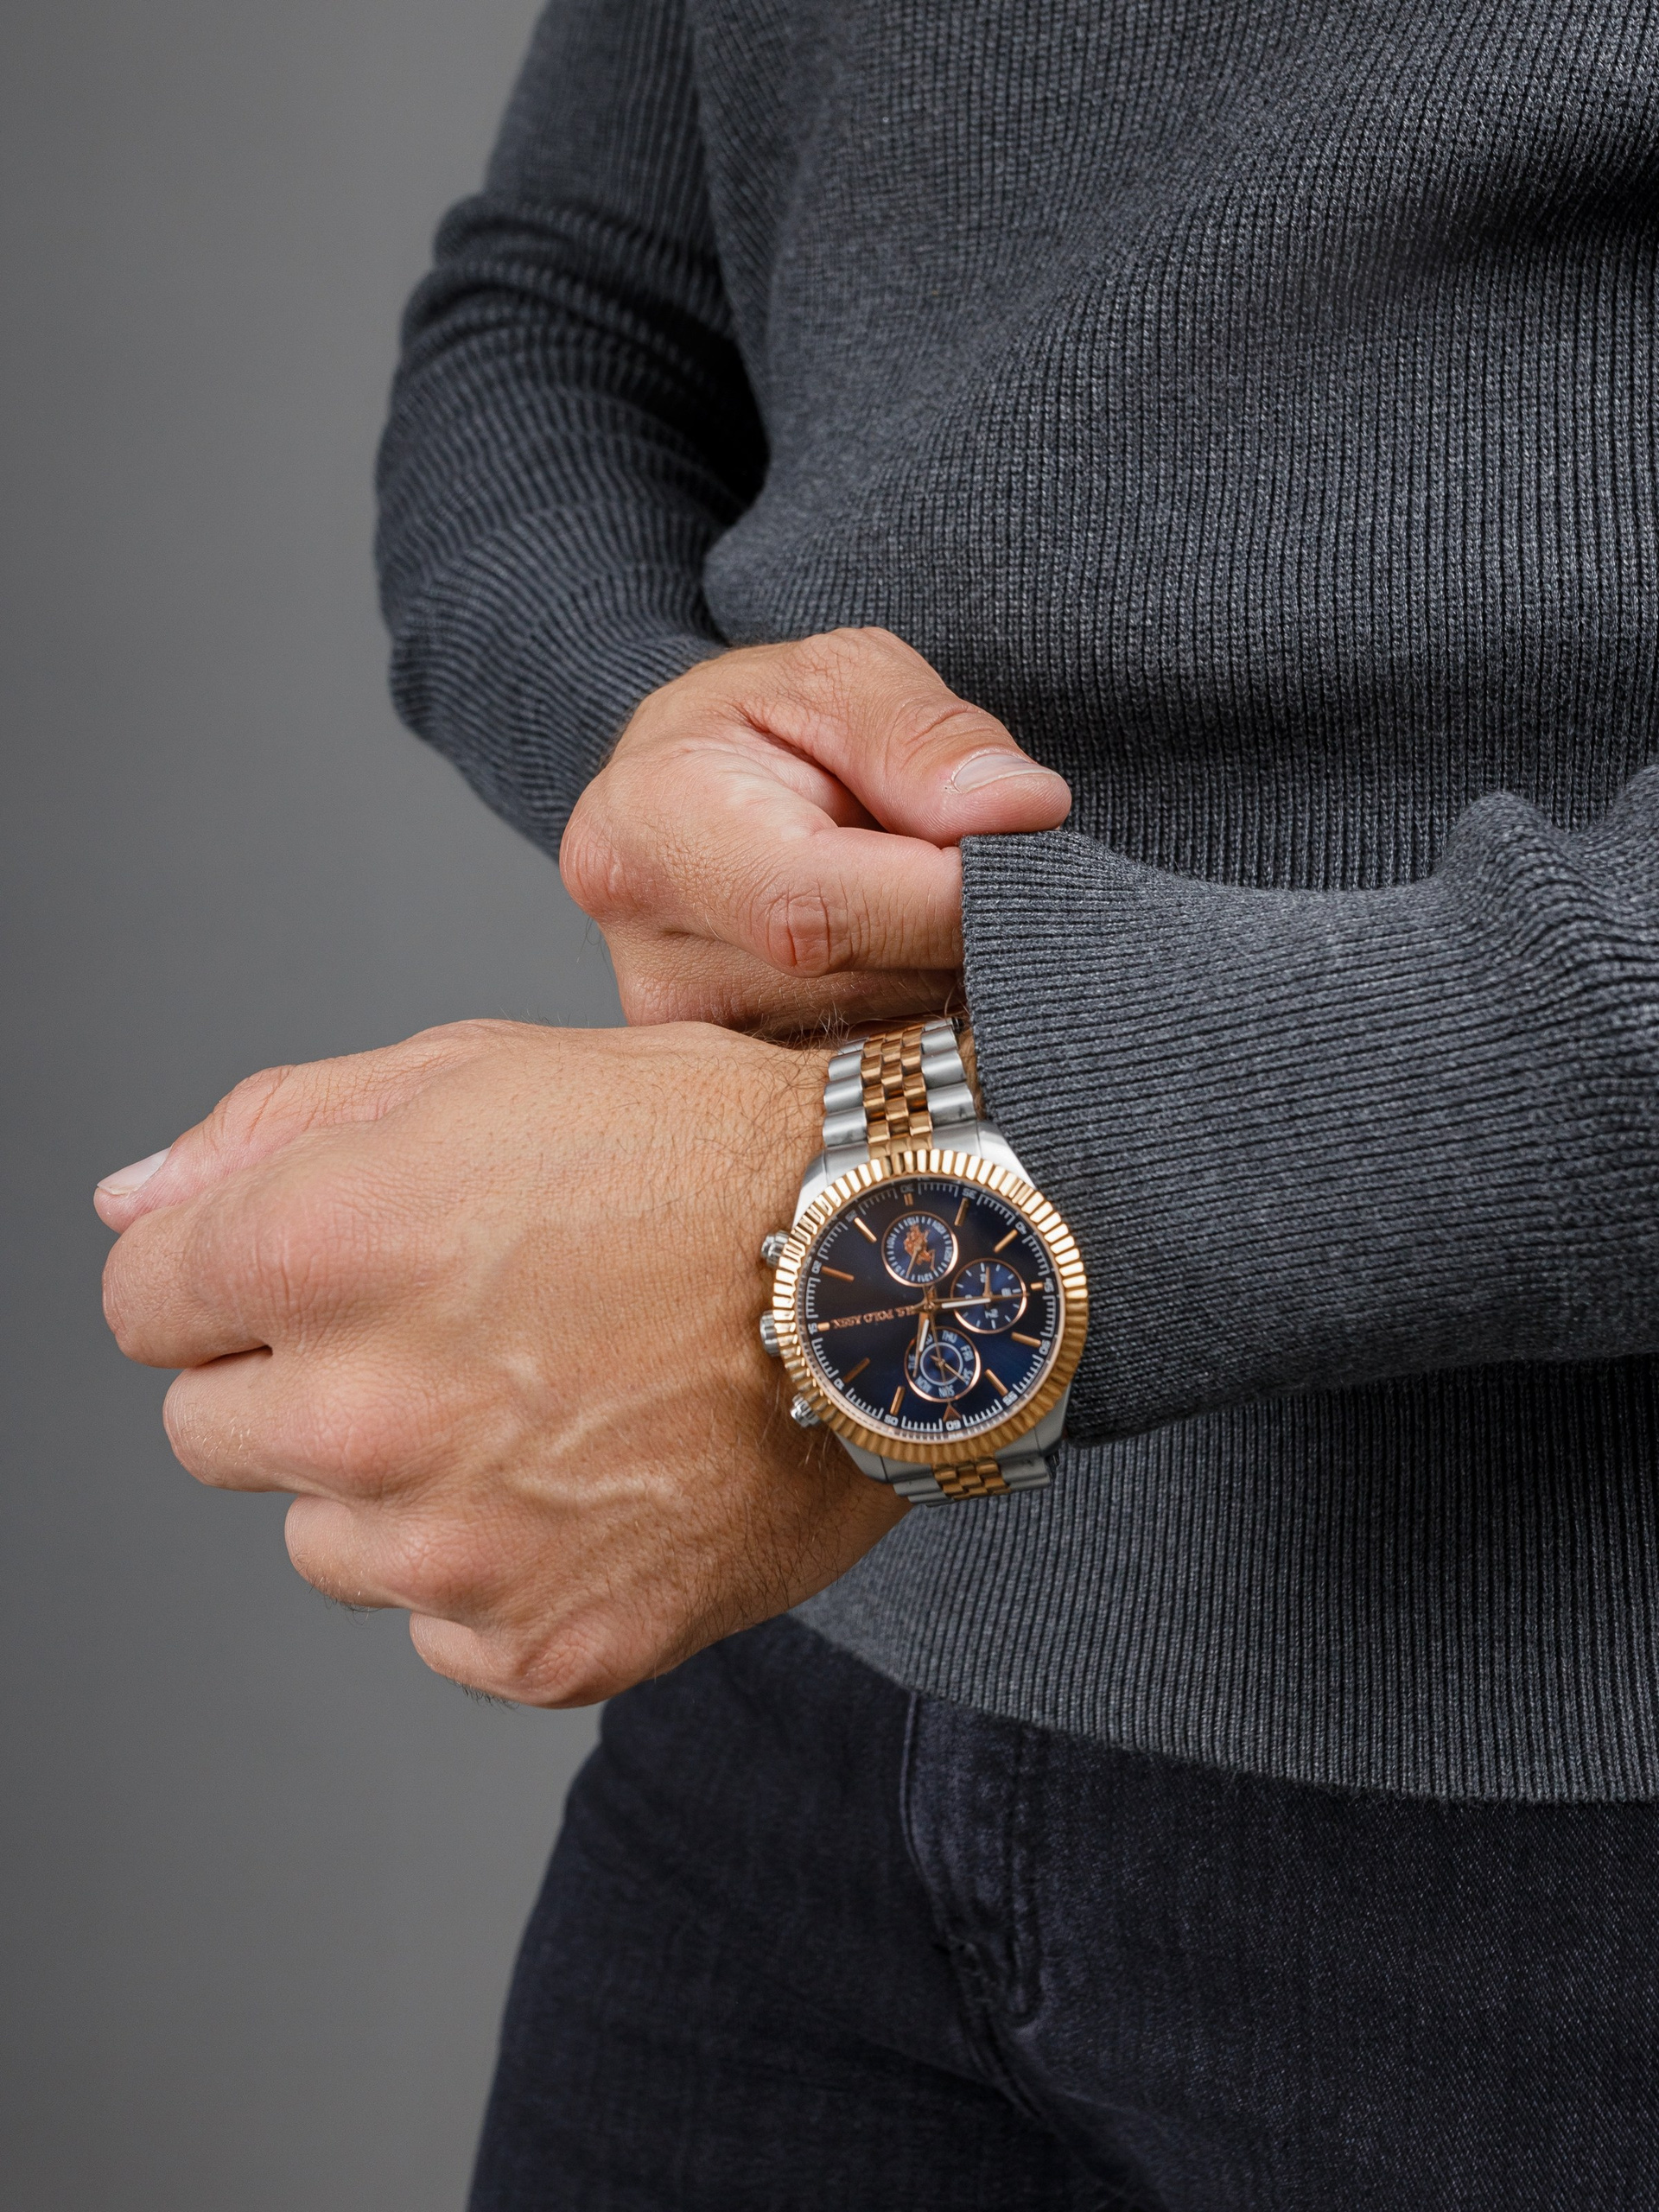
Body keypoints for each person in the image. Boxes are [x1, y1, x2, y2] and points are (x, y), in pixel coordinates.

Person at [98, 0, 1659, 2202]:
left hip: (1580, 1841)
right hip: (800, 1720)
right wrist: (660, 740)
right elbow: (563, 304)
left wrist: (864, 1227)